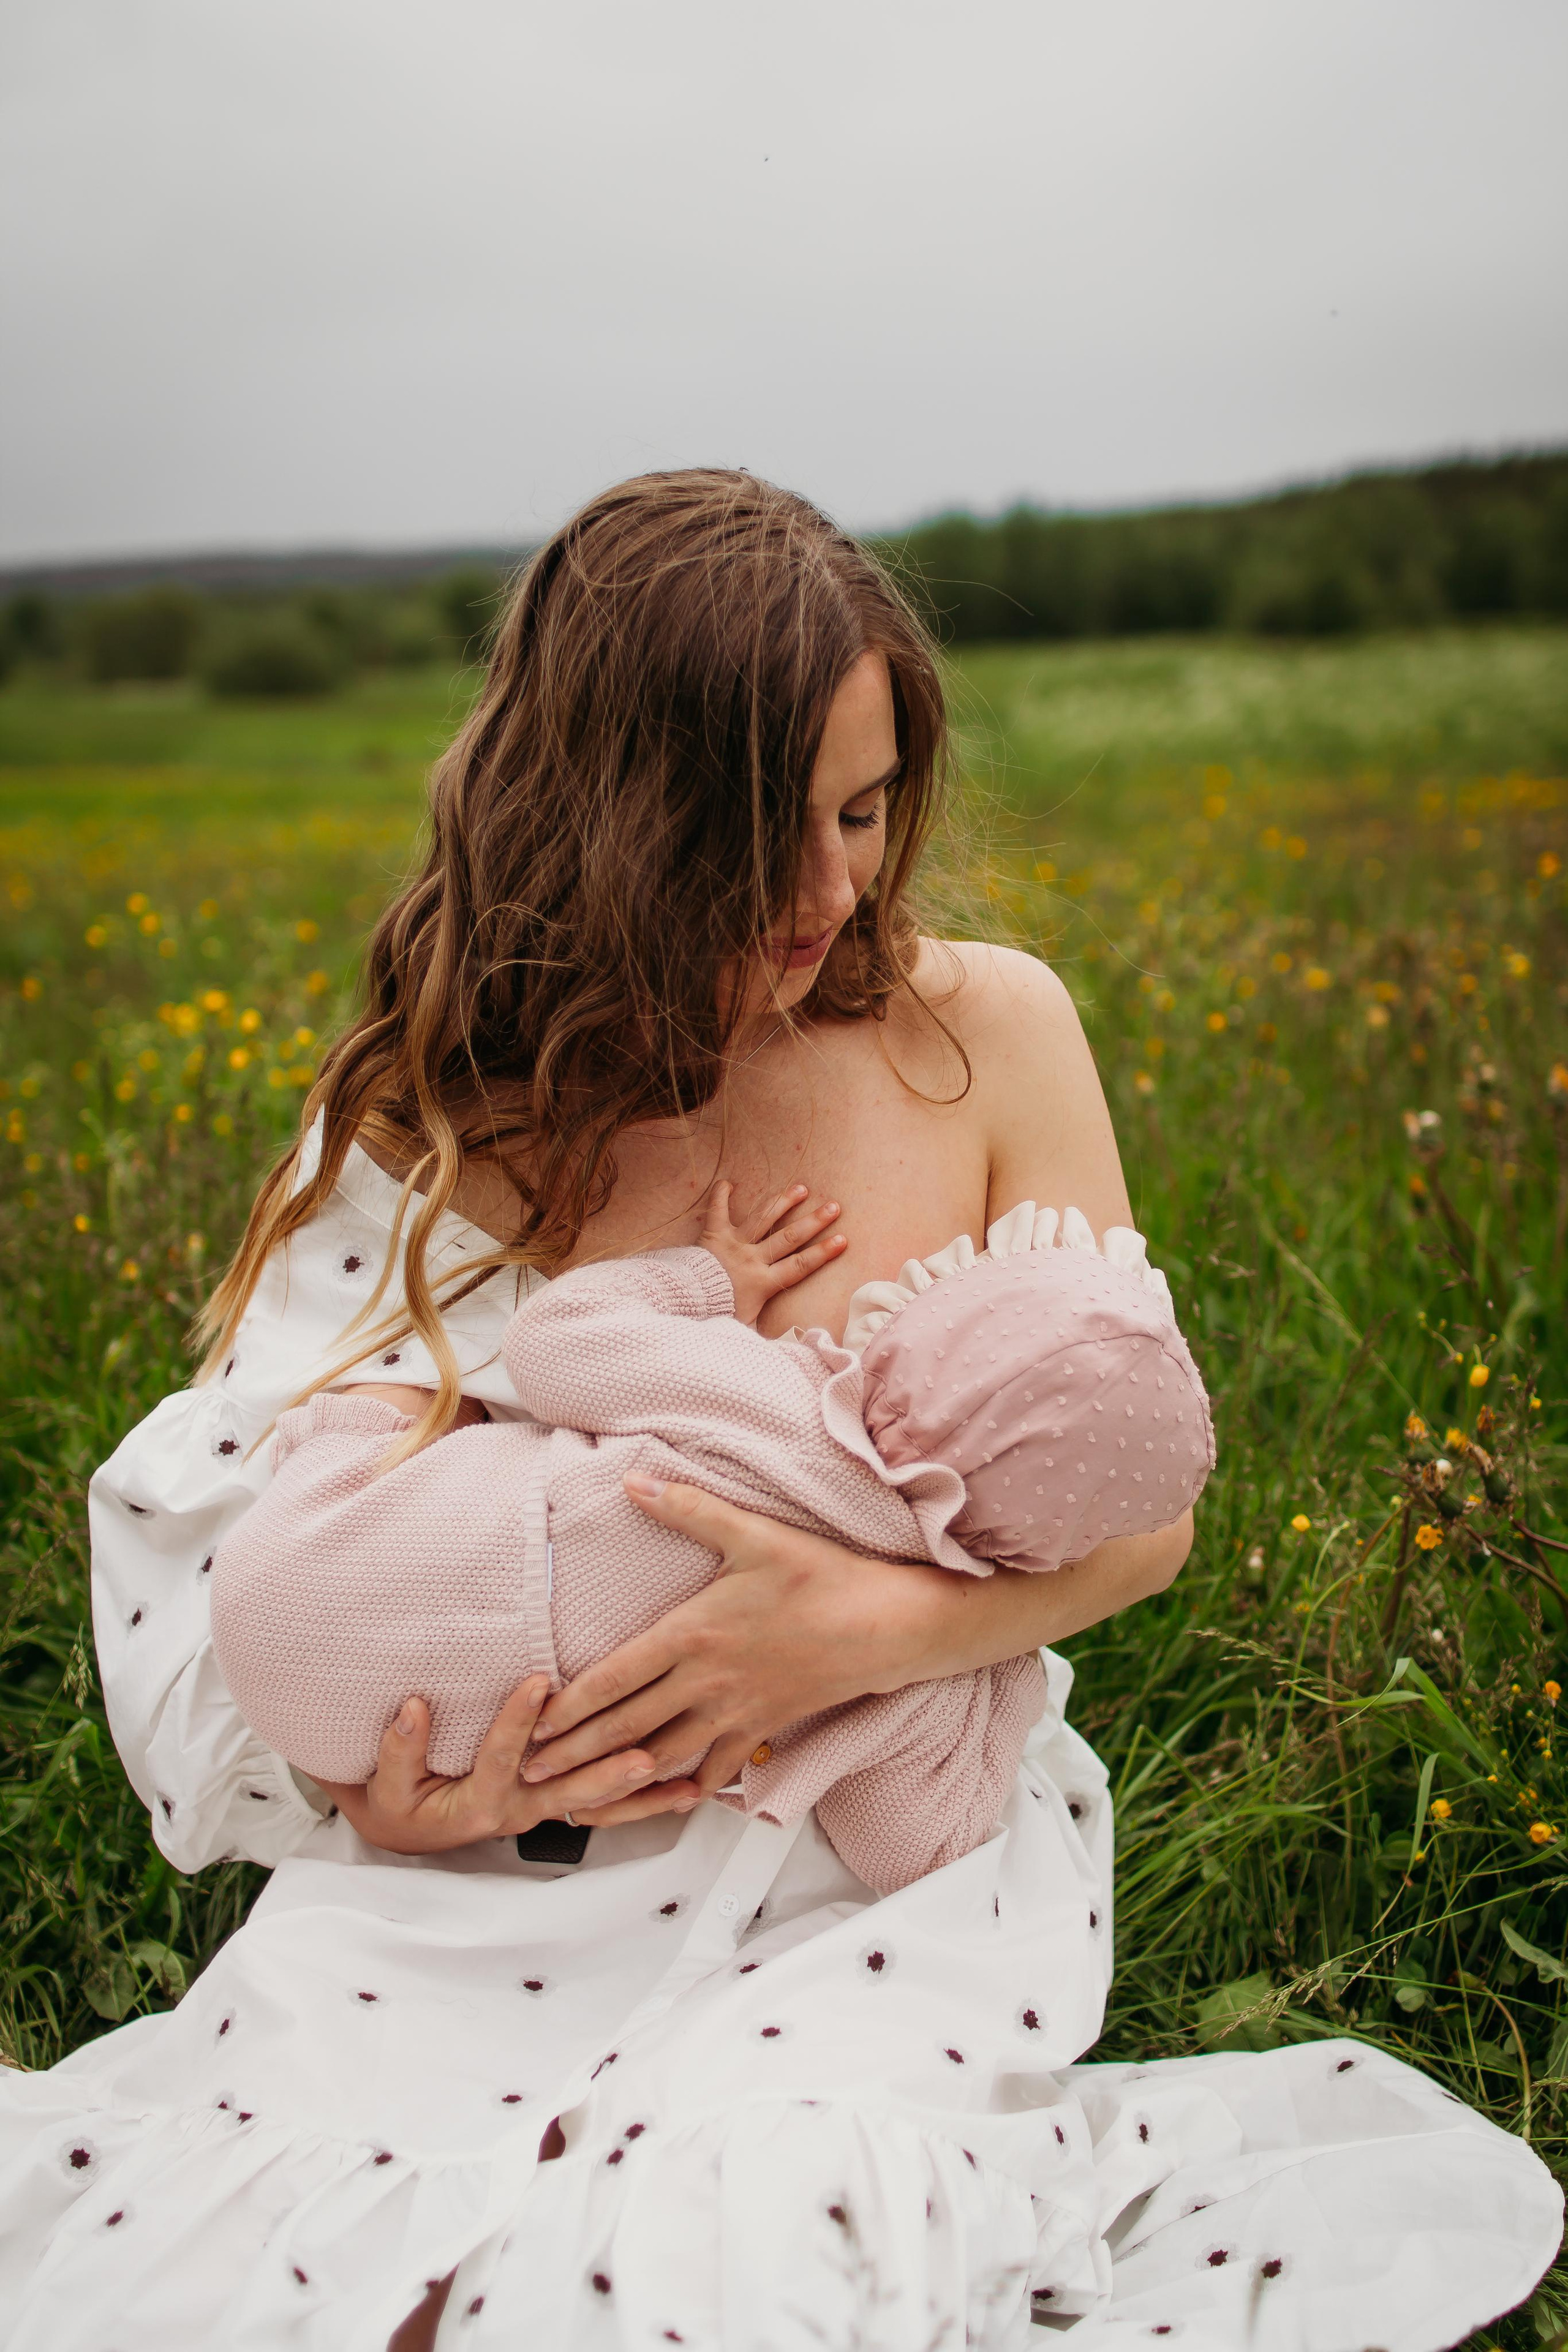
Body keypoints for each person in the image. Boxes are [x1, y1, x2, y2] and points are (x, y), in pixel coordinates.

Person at [0, 471, 1557, 2352]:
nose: (832, 892)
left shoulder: (991, 1037)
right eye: (766, 836)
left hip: (868, 1862)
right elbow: (246, 1549)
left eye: (867, 809)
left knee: (726, 2254)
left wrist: (867, 1627)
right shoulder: (444, 1107)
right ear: (614, 823)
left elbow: (1150, 1506)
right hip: (515, 1859)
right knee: (303, 2268)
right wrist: (387, 1795)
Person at [206, 1180, 1215, 1894]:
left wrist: (709, 1283)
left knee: (421, 1416)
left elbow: (553, 1342)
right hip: (377, 1728)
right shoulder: (910, 1649)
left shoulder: (775, 1394)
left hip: (292, 1550)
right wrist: (994, 1665)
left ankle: (356, 1445)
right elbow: (918, 1846)